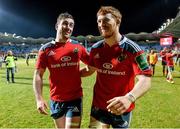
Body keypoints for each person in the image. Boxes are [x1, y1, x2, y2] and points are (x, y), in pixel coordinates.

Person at [81, 6, 152, 128]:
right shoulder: (95, 48)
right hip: (98, 106)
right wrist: (68, 72)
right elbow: (90, 69)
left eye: (106, 20)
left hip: (121, 107)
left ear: (118, 21)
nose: (101, 24)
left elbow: (146, 79)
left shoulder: (132, 49)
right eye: (99, 21)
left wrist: (129, 98)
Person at [33, 12, 89, 128]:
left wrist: (79, 73)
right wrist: (39, 99)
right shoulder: (46, 49)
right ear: (57, 26)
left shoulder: (78, 47)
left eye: (71, 25)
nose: (69, 27)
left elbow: (92, 65)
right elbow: (38, 75)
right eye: (65, 24)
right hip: (56, 100)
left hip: (75, 99)